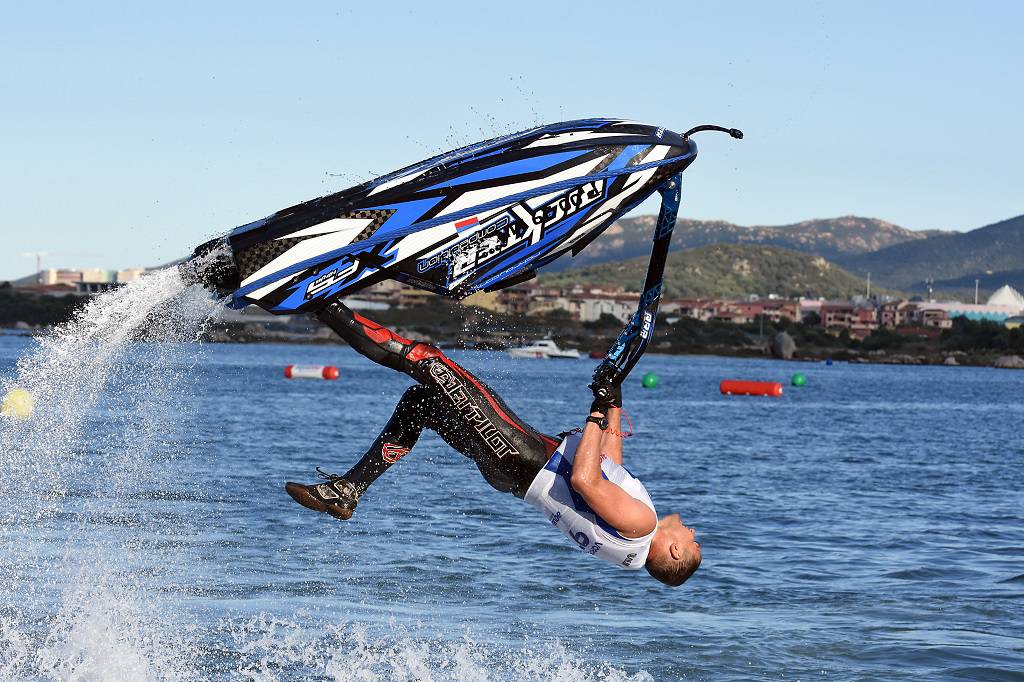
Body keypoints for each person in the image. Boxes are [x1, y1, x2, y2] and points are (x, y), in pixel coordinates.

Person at [285, 301, 702, 586]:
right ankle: (348, 490)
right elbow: (608, 464)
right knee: (422, 404)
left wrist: (595, 411)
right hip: (515, 473)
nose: (693, 531)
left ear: (675, 553)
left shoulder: (643, 527)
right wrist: (612, 396)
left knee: (430, 364)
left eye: (693, 541)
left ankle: (319, 300)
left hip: (525, 456)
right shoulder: (630, 546)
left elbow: (586, 479)